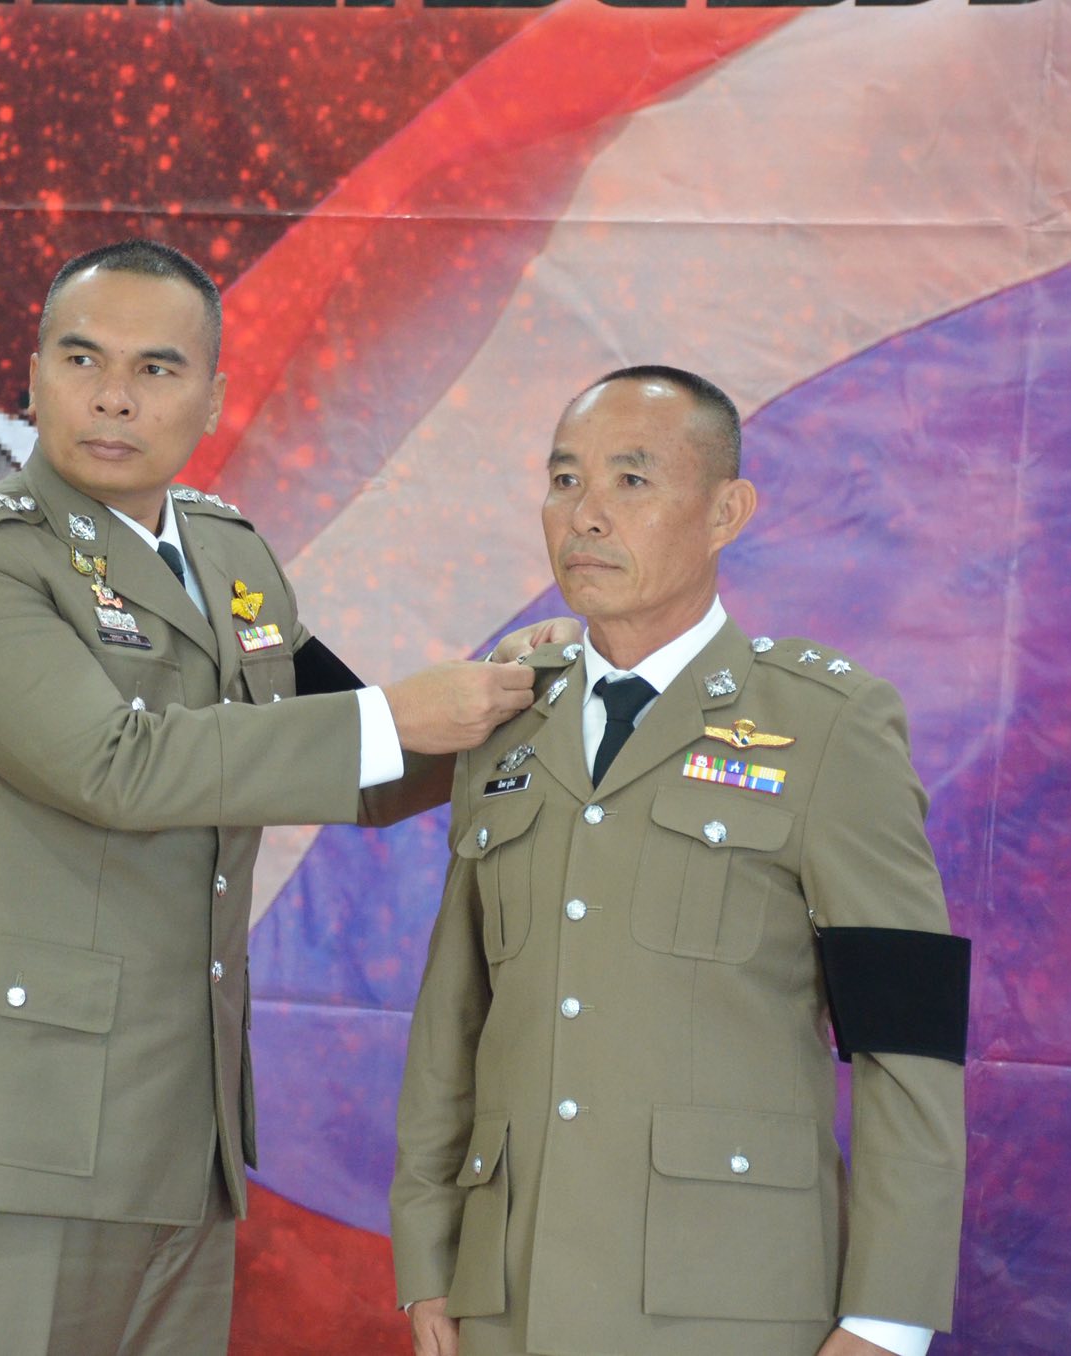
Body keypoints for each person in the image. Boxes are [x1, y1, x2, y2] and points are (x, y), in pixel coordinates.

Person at [0, 238, 561, 1356]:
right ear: (33, 376)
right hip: (10, 1133)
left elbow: (362, 764)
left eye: (156, 368)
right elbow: (115, 764)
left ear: (211, 396)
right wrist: (400, 714)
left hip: (180, 1134)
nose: (113, 396)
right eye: (82, 359)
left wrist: (521, 694)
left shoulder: (229, 555)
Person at [390, 367, 969, 1356]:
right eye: (564, 480)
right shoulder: (505, 717)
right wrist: (429, 1257)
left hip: (729, 1300)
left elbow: (906, 1039)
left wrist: (887, 1319)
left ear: (726, 513)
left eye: (631, 480)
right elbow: (454, 1019)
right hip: (508, 1294)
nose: (586, 515)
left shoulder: (827, 727)